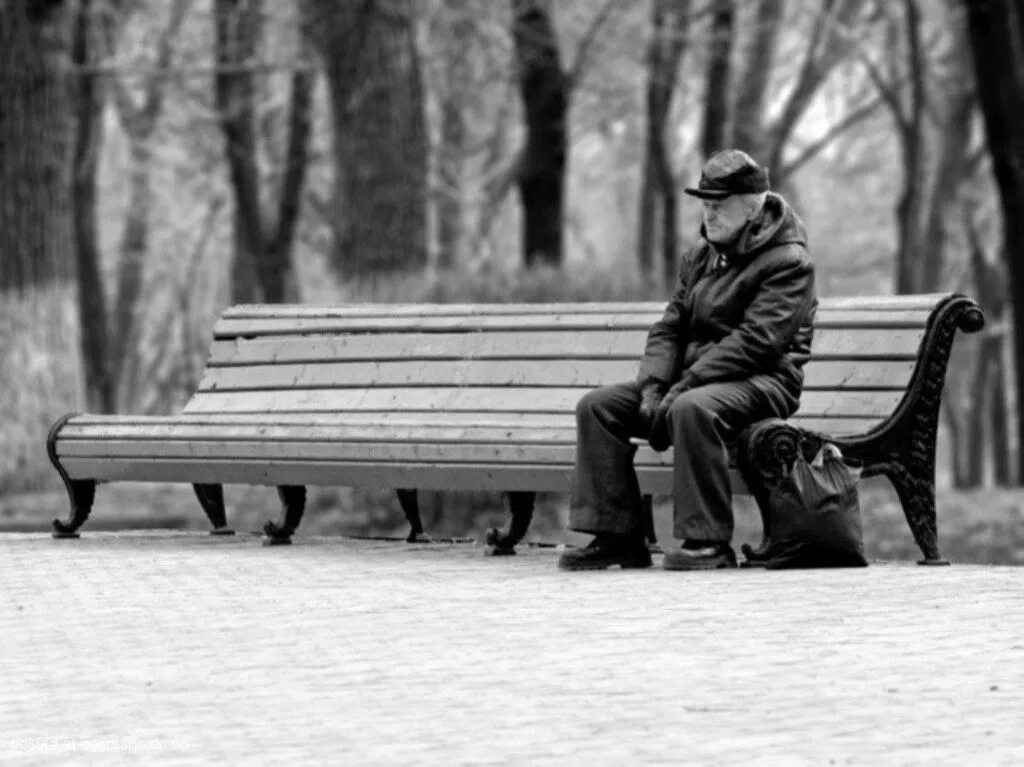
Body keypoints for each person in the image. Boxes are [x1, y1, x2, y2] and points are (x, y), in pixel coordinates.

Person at [558, 149, 817, 571]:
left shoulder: (789, 262)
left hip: (764, 380)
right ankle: (617, 536)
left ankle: (708, 541)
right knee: (598, 407)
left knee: (692, 407)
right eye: (705, 205)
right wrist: (653, 386)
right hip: (692, 382)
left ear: (753, 209)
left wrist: (683, 385)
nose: (709, 215)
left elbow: (758, 342)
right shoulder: (701, 256)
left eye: (719, 206)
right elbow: (669, 329)